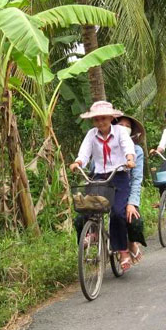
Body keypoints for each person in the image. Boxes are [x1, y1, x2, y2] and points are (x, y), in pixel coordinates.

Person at [70, 101, 136, 272]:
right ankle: (92, 234)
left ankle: (122, 251)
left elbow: (127, 146)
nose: (101, 122)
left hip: (119, 175)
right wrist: (78, 162)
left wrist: (129, 159)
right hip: (99, 176)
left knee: (117, 213)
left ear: (111, 118)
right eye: (97, 119)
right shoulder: (92, 134)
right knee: (86, 207)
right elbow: (84, 152)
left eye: (104, 118)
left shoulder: (120, 132)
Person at [113, 114, 147, 264]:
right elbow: (94, 169)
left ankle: (130, 243)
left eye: (128, 126)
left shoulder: (136, 150)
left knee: (124, 214)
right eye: (121, 125)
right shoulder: (105, 144)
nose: (124, 128)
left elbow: (136, 178)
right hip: (106, 185)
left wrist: (132, 202)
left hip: (125, 187)